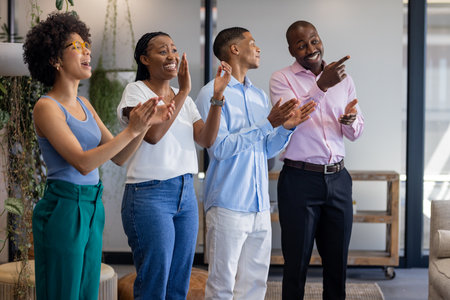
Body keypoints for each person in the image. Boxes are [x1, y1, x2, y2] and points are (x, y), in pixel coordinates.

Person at [23, 13, 174, 300]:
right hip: (64, 207)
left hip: (93, 204)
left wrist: (143, 126)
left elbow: (119, 157)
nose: (87, 51)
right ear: (55, 60)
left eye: (85, 45)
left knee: (87, 292)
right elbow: (83, 162)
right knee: (63, 292)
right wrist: (133, 129)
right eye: (75, 47)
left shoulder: (85, 103)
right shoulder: (46, 107)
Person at [195, 27, 316, 300]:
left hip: (260, 208)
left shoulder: (260, 96)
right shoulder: (210, 94)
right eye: (252, 42)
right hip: (228, 205)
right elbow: (220, 149)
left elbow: (266, 149)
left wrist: (285, 128)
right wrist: (267, 124)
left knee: (255, 286)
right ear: (234, 49)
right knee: (222, 287)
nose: (258, 48)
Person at [116, 31, 231, 300]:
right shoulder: (136, 92)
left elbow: (206, 139)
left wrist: (217, 97)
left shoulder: (184, 98)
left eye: (174, 49)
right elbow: (153, 135)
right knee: (154, 281)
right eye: (162, 50)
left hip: (185, 194)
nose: (171, 56)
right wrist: (185, 91)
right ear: (145, 59)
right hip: (148, 194)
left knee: (179, 281)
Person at [269, 20, 365, 300]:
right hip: (300, 180)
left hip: (338, 179)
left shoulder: (344, 79)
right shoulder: (281, 78)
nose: (310, 48)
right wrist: (321, 87)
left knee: (337, 263)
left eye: (314, 40)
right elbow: (291, 117)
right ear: (291, 50)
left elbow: (356, 128)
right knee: (296, 263)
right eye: (301, 44)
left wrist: (350, 122)